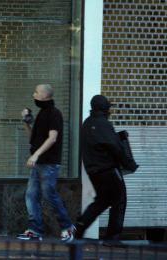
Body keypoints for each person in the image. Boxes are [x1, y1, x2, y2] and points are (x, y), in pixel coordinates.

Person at [75, 94, 139, 246]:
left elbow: (100, 144)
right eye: (108, 107)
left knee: (102, 201)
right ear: (104, 108)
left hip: (94, 171)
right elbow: (114, 146)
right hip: (109, 170)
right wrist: (129, 163)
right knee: (119, 201)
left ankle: (81, 225)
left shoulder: (88, 123)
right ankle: (112, 239)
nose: (110, 109)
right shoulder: (103, 124)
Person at [17, 84, 74, 242]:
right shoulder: (42, 113)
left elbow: (53, 138)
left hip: (48, 163)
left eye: (36, 92)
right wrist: (26, 123)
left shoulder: (54, 114)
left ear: (44, 95)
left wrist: (35, 155)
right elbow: (32, 140)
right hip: (39, 163)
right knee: (31, 195)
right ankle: (35, 230)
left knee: (49, 195)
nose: (33, 94)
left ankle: (67, 227)